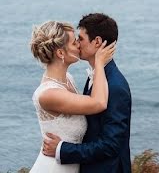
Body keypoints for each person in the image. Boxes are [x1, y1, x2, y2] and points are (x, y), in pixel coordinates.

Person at [42, 13, 132, 173]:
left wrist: (62, 150)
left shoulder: (116, 86)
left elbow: (111, 145)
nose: (77, 43)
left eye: (81, 38)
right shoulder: (96, 75)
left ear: (97, 41)